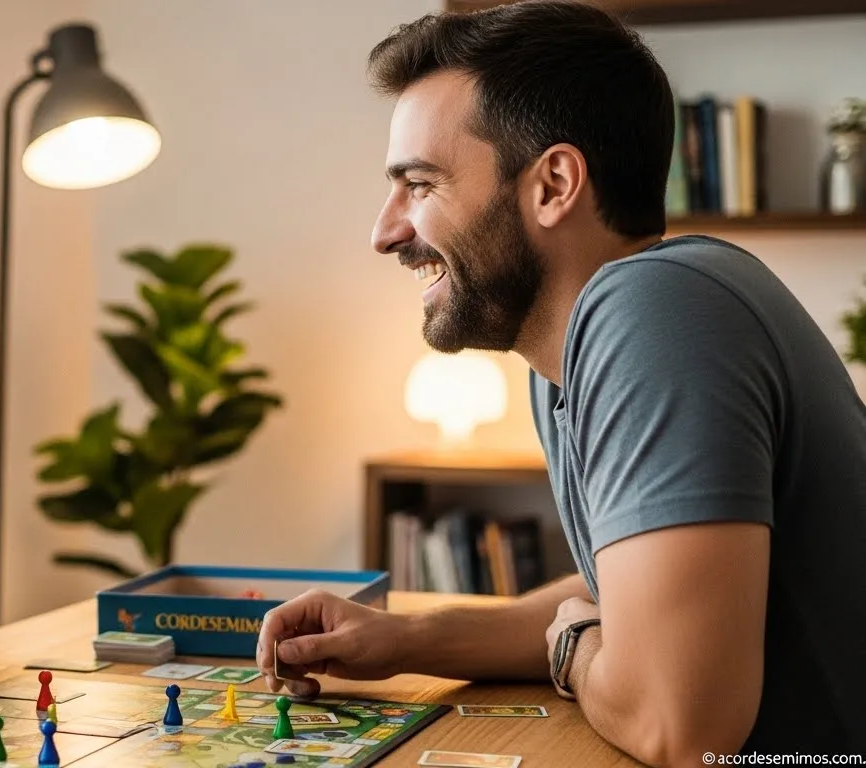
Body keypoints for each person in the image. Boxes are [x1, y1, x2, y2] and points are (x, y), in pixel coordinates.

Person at [257, 1, 866, 761]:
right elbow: (625, 593)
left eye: (419, 184)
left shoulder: (650, 309)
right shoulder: (575, 348)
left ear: (553, 184)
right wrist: (405, 637)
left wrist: (573, 642)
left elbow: (679, 727)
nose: (385, 232)